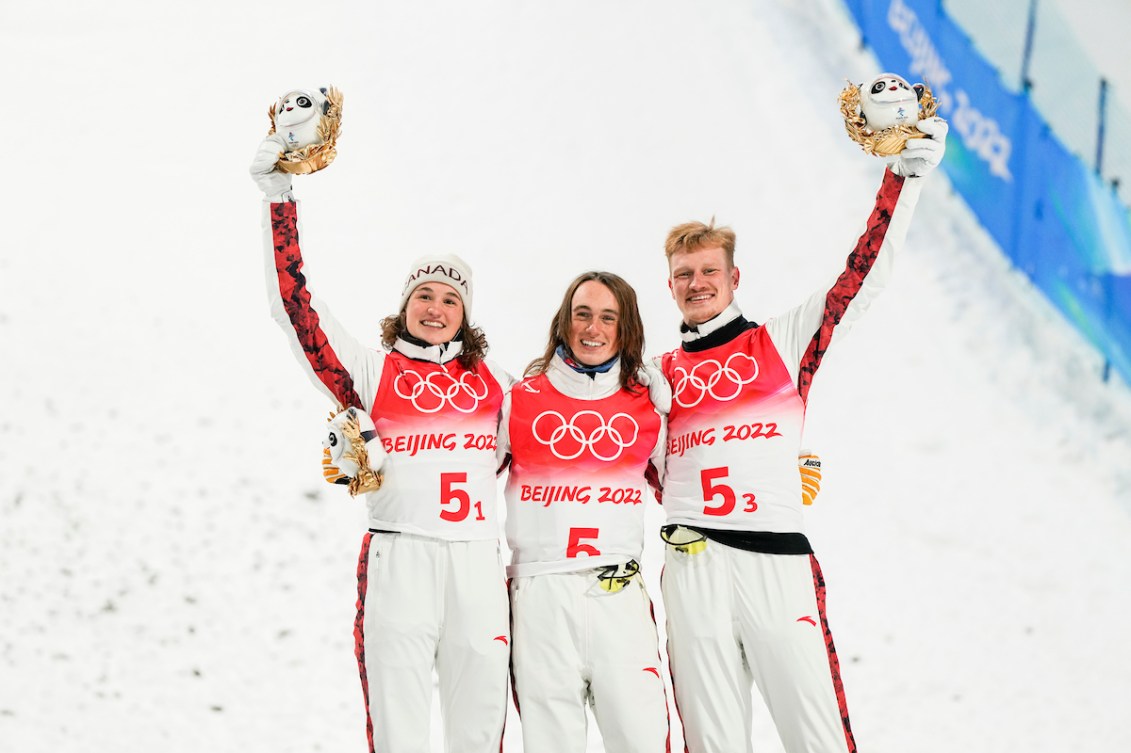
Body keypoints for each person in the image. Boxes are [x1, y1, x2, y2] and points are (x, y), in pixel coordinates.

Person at [655, 117, 949, 752]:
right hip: (690, 568)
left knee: (816, 739)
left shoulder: (780, 344)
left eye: (709, 271)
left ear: (735, 279)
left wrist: (903, 179)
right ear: (670, 285)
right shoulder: (657, 378)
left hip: (775, 561)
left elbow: (859, 280)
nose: (697, 284)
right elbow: (622, 460)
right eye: (684, 274)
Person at [250, 129, 512, 753]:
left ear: (465, 316)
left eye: (451, 299)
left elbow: (569, 439)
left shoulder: (501, 387)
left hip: (478, 561)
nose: (435, 306)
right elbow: (297, 311)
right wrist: (277, 198)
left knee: (479, 733)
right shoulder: (371, 372)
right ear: (405, 305)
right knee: (399, 734)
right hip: (400, 560)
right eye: (424, 294)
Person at [497, 271, 671, 752]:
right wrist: (372, 462)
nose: (593, 328)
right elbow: (461, 466)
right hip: (540, 595)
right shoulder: (519, 401)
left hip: (617, 592)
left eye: (608, 318)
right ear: (564, 323)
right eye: (583, 314)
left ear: (625, 328)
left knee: (641, 740)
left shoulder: (649, 406)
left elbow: (691, 482)